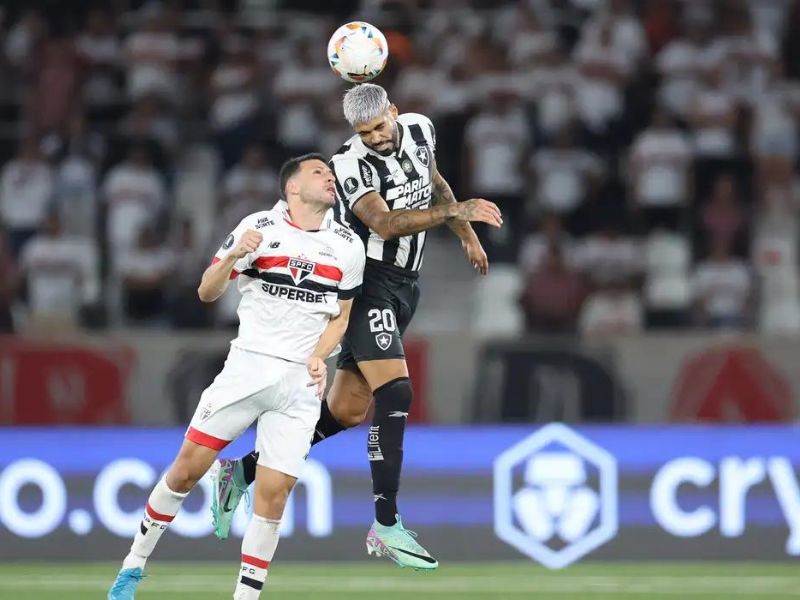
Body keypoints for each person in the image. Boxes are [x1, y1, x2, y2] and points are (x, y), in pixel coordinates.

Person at [212, 83, 502, 570]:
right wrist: (457, 212)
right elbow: (385, 225)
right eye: (365, 133)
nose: (376, 139)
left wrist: (466, 234)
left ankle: (239, 472)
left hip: (406, 285)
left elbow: (436, 183)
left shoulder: (421, 129)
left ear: (394, 112)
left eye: (380, 127)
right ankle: (385, 524)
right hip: (367, 283)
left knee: (346, 411)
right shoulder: (349, 163)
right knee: (397, 394)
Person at [107, 153, 365, 600]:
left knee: (274, 495)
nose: (329, 179)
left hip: (301, 382)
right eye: (318, 173)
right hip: (248, 367)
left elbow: (341, 318)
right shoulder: (260, 228)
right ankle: (132, 567)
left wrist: (321, 356)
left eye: (330, 173)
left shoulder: (347, 245)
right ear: (293, 188)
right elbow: (207, 291)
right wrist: (233, 257)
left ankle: (246, 597)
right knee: (186, 472)